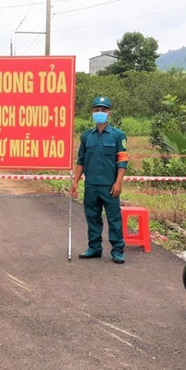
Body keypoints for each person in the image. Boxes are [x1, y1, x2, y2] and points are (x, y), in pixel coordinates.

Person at [70, 96, 128, 264]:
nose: (100, 113)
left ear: (109, 113)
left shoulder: (118, 135)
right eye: (96, 110)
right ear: (92, 112)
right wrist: (75, 182)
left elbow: (122, 161)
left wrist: (119, 182)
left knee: (114, 218)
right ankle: (94, 248)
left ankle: (117, 250)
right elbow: (81, 161)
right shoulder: (87, 136)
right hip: (91, 185)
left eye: (103, 110)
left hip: (109, 186)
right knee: (92, 217)